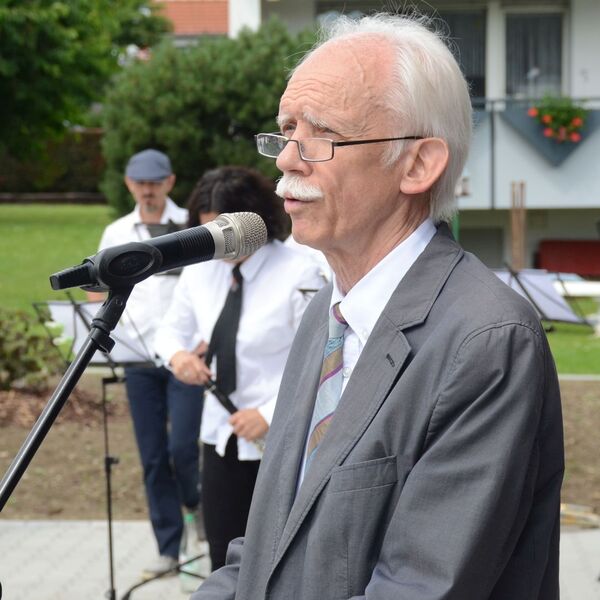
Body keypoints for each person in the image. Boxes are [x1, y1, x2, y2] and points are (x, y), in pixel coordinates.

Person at [191, 12, 564, 600]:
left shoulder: (485, 342)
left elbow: (420, 586)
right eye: (286, 131)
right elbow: (267, 545)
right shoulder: (328, 313)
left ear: (417, 165)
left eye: (322, 135)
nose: (288, 159)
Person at [154, 166, 325, 572]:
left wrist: (268, 413)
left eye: (221, 235)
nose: (214, 245)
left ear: (251, 224)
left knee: (280, 562)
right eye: (205, 233)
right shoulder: (200, 271)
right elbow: (168, 332)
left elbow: (321, 356)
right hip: (221, 437)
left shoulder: (300, 270)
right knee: (223, 559)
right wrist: (179, 358)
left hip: (285, 441)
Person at [89, 148, 204, 578]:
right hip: (138, 359)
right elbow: (95, 287)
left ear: (170, 183)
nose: (148, 190)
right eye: (141, 183)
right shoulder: (116, 231)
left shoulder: (187, 227)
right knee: (153, 457)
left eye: (155, 183)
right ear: (129, 185)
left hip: (184, 358)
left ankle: (195, 507)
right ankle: (169, 549)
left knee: (183, 450)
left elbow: (208, 286)